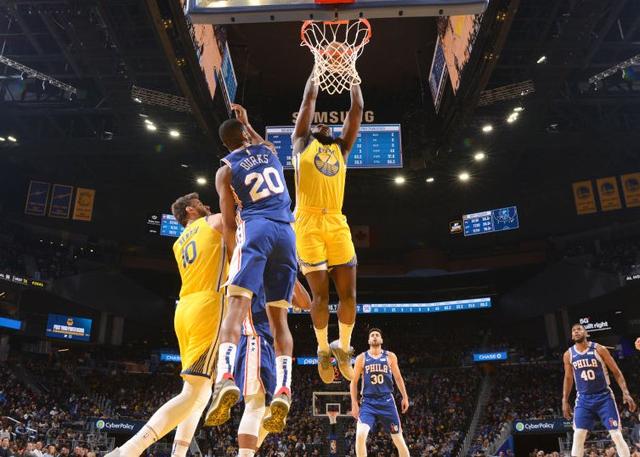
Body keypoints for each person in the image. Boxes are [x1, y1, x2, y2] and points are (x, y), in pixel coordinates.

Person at [106, 194, 227, 457]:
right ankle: (127, 451)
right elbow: (242, 220)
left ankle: (178, 454)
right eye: (201, 203)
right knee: (195, 391)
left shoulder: (178, 242)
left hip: (184, 309)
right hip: (209, 305)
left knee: (200, 390)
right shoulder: (215, 222)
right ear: (190, 210)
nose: (207, 205)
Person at [206, 104, 297, 434]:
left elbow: (230, 223)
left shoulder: (225, 171)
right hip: (287, 233)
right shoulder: (268, 150)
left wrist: (235, 257)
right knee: (279, 319)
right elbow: (261, 143)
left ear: (224, 144)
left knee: (236, 308)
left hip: (256, 228)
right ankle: (284, 390)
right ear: (245, 134)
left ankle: (225, 379)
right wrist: (248, 123)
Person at [291, 69, 364, 383]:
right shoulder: (300, 144)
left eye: (328, 124)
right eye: (318, 123)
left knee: (349, 297)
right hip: (306, 222)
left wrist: (354, 74)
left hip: (336, 220)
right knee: (320, 298)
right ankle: (323, 349)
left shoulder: (341, 149)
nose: (323, 123)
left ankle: (343, 347)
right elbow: (309, 99)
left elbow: (357, 109)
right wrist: (316, 67)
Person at [562, 323, 637, 457]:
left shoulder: (599, 349)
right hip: (583, 398)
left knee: (616, 435)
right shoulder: (568, 354)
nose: (576, 332)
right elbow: (568, 379)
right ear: (572, 336)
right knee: (578, 435)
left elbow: (616, 372)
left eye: (579, 329)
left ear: (586, 333)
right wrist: (565, 400)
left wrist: (626, 392)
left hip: (604, 396)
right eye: (573, 330)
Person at [350, 328, 410, 457]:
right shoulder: (361, 358)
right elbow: (353, 382)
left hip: (387, 401)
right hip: (368, 403)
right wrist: (354, 403)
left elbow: (398, 378)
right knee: (360, 435)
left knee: (398, 439)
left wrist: (405, 397)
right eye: (372, 335)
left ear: (381, 340)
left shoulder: (390, 356)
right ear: (368, 340)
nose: (375, 337)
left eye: (377, 335)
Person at [234, 288, 276, 457]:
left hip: (268, 345)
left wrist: (292, 273)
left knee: (270, 412)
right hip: (254, 336)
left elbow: (305, 303)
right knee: (255, 404)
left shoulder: (278, 272)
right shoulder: (252, 265)